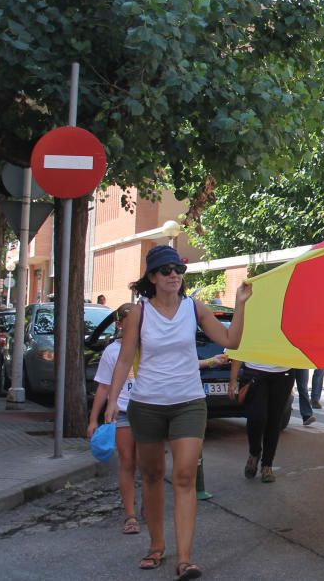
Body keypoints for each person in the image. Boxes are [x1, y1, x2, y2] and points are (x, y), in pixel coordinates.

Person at [105, 244, 252, 580]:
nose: (174, 275)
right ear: (153, 277)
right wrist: (113, 400)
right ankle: (156, 546)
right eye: (166, 270)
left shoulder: (194, 308)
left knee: (185, 476)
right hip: (147, 405)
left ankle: (184, 559)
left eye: (178, 270)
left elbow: (231, 340)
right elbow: (126, 359)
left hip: (188, 402)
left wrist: (241, 305)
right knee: (154, 476)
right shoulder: (139, 313)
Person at [88, 303, 139, 535]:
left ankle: (150, 503)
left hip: (150, 410)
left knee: (150, 465)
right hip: (123, 412)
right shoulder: (111, 352)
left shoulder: (149, 347)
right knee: (127, 461)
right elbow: (103, 387)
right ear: (120, 324)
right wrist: (93, 420)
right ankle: (130, 514)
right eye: (130, 320)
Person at [227, 357, 295, 483]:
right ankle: (254, 452)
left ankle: (267, 465)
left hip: (284, 373)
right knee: (256, 417)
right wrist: (233, 379)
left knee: (275, 420)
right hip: (254, 371)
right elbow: (238, 348)